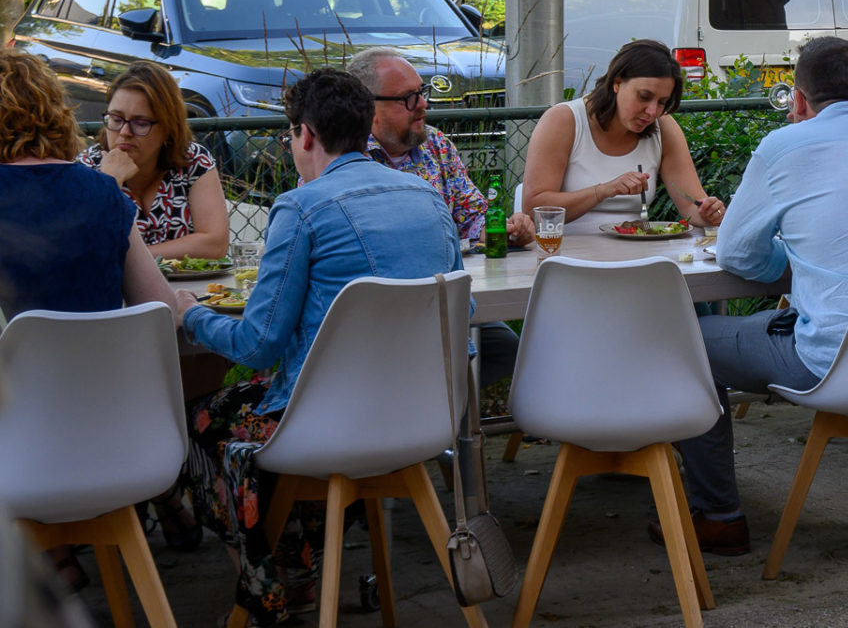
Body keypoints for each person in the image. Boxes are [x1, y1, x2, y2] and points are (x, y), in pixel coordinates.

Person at [175, 68, 465, 626]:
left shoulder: (301, 207)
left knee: (209, 421)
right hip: (423, 418)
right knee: (270, 409)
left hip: (330, 424)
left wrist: (193, 316)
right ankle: (302, 568)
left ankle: (275, 584)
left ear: (304, 134)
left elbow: (259, 345)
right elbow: (462, 313)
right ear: (364, 129)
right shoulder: (429, 197)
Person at [663, 36, 848, 556]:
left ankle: (719, 516)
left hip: (832, 363)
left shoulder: (783, 145)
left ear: (799, 98)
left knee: (687, 341)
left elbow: (738, 254)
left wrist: (790, 262)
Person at [0, 49, 181, 592]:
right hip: (120, 445)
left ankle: (53, 561)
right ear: (55, 112)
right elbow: (164, 313)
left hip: (19, 455)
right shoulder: (105, 194)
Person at [347, 47, 530, 389]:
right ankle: (418, 415)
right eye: (408, 98)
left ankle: (435, 415)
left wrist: (505, 229)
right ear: (367, 107)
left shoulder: (437, 147)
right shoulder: (341, 156)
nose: (424, 105)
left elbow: (474, 216)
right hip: (374, 316)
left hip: (443, 304)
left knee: (508, 350)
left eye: (422, 92)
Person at [522, 40, 726, 235]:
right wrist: (602, 191)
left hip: (637, 258)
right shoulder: (564, 120)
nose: (652, 111)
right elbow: (533, 208)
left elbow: (691, 204)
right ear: (617, 82)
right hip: (566, 257)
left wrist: (708, 213)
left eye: (662, 102)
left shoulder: (663, 127)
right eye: (644, 97)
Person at [76, 61, 229, 260]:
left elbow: (214, 244)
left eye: (140, 123)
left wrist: (136, 262)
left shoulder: (192, 160)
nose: (124, 132)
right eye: (116, 119)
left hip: (193, 288)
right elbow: (84, 250)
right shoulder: (86, 168)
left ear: (167, 128)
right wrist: (110, 183)